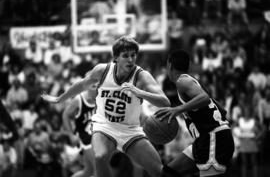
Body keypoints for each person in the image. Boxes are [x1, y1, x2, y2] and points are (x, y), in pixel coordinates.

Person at [41, 36, 178, 177]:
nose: (130, 60)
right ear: (116, 57)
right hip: (104, 126)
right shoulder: (102, 71)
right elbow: (81, 85)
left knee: (158, 171)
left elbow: (165, 102)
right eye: (125, 56)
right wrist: (59, 99)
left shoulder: (142, 76)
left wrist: (139, 92)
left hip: (130, 130)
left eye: (133, 55)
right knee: (100, 156)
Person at [156, 49, 235, 177]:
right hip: (205, 138)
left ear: (170, 65)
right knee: (168, 173)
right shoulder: (190, 81)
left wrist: (178, 109)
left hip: (213, 138)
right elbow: (220, 108)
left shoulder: (182, 81)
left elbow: (205, 98)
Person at [62, 84, 97, 177]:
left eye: (98, 85)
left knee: (88, 171)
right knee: (99, 170)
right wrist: (70, 135)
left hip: (96, 135)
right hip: (85, 137)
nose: (96, 88)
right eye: (93, 86)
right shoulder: (79, 99)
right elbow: (65, 115)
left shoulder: (102, 97)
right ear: (87, 87)